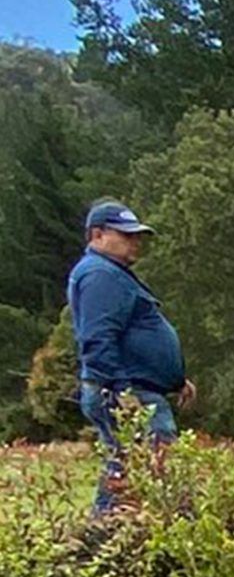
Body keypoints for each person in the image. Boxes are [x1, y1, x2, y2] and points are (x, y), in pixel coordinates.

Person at [69, 201, 192, 517]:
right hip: (126, 393)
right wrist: (123, 392)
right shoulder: (100, 275)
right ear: (97, 234)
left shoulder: (111, 273)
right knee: (151, 470)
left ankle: (103, 543)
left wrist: (174, 379)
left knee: (128, 468)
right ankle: (110, 541)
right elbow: (97, 340)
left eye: (136, 236)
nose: (134, 241)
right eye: (125, 235)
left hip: (136, 389)